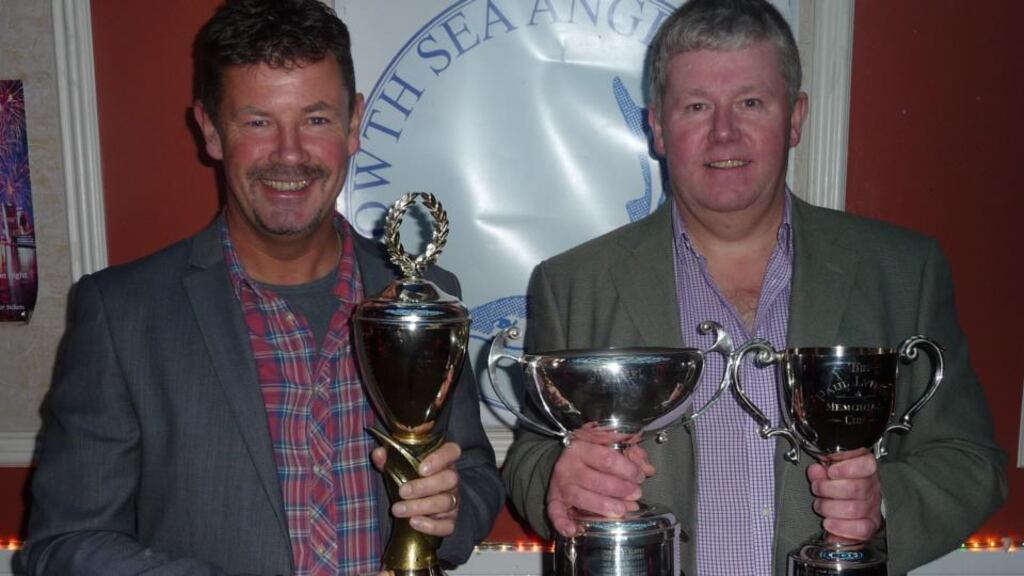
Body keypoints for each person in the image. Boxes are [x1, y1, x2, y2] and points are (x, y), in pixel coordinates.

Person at [502, 0, 1007, 575]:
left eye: (750, 102)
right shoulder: (572, 282)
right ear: (658, 127)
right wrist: (557, 479)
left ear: (795, 117)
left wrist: (881, 504)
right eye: (696, 106)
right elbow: (532, 456)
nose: (724, 133)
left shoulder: (901, 270)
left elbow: (971, 462)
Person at [22, 0, 502, 574]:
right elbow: (65, 543)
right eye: (257, 121)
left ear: (354, 123)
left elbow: (472, 473)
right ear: (210, 130)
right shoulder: (122, 313)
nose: (290, 153)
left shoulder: (427, 298)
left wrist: (448, 512)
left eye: (316, 119)